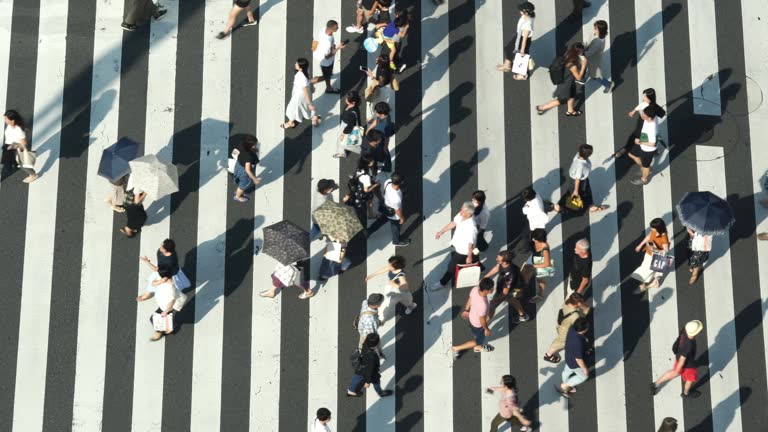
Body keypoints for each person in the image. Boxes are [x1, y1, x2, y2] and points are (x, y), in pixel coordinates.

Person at [431, 201, 479, 291]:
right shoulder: (461, 215)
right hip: (458, 245)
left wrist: (469, 256)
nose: (460, 212)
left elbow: (470, 244)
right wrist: (441, 232)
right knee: (474, 255)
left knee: (451, 267)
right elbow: (454, 223)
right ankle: (477, 263)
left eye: (463, 211)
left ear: (469, 213)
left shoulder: (471, 227)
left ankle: (442, 282)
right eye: (461, 209)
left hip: (463, 251)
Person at [650, 320, 704, 399]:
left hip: (678, 357)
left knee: (673, 372)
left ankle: (655, 384)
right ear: (695, 333)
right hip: (688, 365)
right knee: (690, 379)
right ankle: (686, 393)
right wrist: (677, 371)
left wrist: (676, 370)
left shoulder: (685, 330)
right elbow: (682, 360)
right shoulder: (689, 346)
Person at [612, 88, 666, 159]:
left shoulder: (654, 107)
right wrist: (634, 111)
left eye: (645, 96)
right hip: (640, 124)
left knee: (644, 139)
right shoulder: (645, 103)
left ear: (649, 98)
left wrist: (651, 116)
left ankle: (652, 150)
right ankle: (626, 149)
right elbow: (640, 106)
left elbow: (662, 113)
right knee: (635, 137)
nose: (643, 97)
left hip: (647, 126)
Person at [536, 42, 587, 117]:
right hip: (566, 85)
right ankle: (542, 108)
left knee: (572, 95)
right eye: (582, 51)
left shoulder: (568, 54)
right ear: (578, 52)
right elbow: (578, 78)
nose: (583, 52)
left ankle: (570, 111)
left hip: (568, 81)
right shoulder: (572, 66)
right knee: (561, 100)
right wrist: (584, 65)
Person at [555, 144, 607, 213]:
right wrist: (576, 190)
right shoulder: (580, 166)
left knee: (586, 191)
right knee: (574, 193)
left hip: (583, 179)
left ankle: (591, 206)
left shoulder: (578, 155)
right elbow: (577, 179)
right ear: (587, 155)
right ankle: (559, 206)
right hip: (579, 181)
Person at [452, 277, 495, 358]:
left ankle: (477, 344)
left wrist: (466, 310)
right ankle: (457, 348)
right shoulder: (483, 305)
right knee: (479, 340)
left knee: (492, 309)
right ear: (486, 290)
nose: (493, 289)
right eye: (491, 288)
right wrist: (486, 329)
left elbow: (470, 299)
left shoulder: (475, 289)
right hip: (478, 324)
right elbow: (482, 320)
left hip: (472, 317)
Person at [365, 255, 417, 321]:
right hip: (391, 288)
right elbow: (384, 269)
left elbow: (405, 287)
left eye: (390, 265)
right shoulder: (392, 268)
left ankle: (411, 306)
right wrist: (372, 275)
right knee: (389, 301)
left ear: (396, 267)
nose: (388, 266)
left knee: (405, 301)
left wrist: (394, 284)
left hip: (400, 292)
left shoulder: (401, 276)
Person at [543, 292, 590, 363]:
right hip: (565, 331)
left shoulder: (567, 302)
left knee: (560, 341)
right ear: (578, 303)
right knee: (560, 343)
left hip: (563, 325)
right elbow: (578, 326)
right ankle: (548, 355)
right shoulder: (575, 316)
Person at [136, 265, 179, 341]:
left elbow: (171, 302)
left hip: (165, 307)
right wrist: (161, 281)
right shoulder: (164, 280)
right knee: (164, 317)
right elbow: (153, 284)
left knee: (153, 319)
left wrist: (165, 312)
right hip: (163, 305)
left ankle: (159, 332)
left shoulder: (170, 289)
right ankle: (168, 328)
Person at [366, 173, 411, 246]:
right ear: (401, 182)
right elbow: (397, 210)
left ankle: (368, 232)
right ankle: (396, 241)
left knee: (380, 221)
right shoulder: (396, 198)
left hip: (385, 207)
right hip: (393, 214)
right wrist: (401, 218)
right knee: (395, 227)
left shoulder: (388, 182)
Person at [486, 251, 528, 323]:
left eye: (498, 259)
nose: (496, 259)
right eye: (497, 257)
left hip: (511, 290)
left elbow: (505, 292)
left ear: (505, 262)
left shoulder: (508, 275)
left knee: (492, 305)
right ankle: (523, 315)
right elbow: (497, 268)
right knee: (513, 301)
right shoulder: (503, 264)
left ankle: (484, 324)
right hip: (512, 287)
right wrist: (485, 277)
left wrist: (495, 300)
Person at [346, 333, 393, 397]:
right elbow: (370, 370)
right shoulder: (372, 357)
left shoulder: (365, 344)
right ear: (376, 343)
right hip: (370, 371)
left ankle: (351, 390)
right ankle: (380, 393)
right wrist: (367, 382)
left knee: (357, 376)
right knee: (376, 381)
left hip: (362, 365)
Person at [631, 217, 670, 292]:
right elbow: (648, 237)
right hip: (649, 252)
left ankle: (645, 285)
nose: (651, 229)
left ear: (658, 228)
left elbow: (666, 250)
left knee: (647, 269)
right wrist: (640, 245)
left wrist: (655, 249)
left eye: (653, 228)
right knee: (652, 269)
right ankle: (655, 282)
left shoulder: (664, 237)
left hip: (654, 256)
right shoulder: (654, 231)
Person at [628, 105, 662, 186]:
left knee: (646, 165)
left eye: (644, 115)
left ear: (649, 118)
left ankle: (644, 179)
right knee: (632, 154)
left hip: (647, 149)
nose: (642, 115)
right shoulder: (652, 116)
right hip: (643, 140)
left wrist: (640, 142)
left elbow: (652, 143)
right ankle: (644, 168)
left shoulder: (651, 129)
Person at [497, 2, 535, 74]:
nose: (519, 11)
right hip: (519, 36)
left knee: (511, 50)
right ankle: (507, 65)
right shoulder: (529, 16)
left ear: (526, 13)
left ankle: (518, 72)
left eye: (521, 10)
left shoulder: (527, 25)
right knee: (509, 49)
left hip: (521, 39)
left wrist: (522, 50)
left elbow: (524, 40)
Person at [557, 317, 590, 397]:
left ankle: (564, 381)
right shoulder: (577, 343)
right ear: (583, 330)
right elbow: (578, 359)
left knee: (567, 370)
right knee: (583, 376)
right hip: (575, 363)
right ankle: (565, 386)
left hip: (568, 356)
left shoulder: (572, 328)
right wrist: (585, 369)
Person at [311, 20, 347, 94]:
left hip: (322, 56)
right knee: (327, 76)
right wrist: (338, 48)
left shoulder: (323, 30)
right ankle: (314, 82)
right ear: (331, 28)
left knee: (328, 74)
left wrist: (333, 46)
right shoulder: (327, 44)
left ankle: (327, 85)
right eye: (336, 28)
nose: (338, 28)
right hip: (326, 62)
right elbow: (328, 56)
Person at [3, 109, 37, 183]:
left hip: (16, 150)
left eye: (6, 118)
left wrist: (14, 146)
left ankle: (33, 175)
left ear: (12, 121)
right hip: (9, 147)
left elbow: (23, 144)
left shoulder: (19, 130)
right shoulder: (10, 125)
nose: (4, 119)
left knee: (24, 165)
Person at [343, 155, 380, 221]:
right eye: (371, 161)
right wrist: (376, 185)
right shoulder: (366, 176)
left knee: (369, 201)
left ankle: (370, 214)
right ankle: (370, 215)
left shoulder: (359, 169)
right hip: (362, 192)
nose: (373, 161)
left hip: (358, 188)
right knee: (369, 202)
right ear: (367, 163)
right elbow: (366, 190)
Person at [281, 58, 315, 129]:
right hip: (299, 93)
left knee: (294, 109)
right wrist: (311, 88)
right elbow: (309, 81)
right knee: (302, 107)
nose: (295, 64)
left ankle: (290, 123)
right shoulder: (305, 71)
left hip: (299, 96)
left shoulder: (301, 76)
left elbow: (305, 91)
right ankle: (313, 116)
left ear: (301, 68)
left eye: (297, 64)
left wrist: (309, 104)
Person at [584, 20, 614, 93]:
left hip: (594, 60)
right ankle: (592, 76)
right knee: (592, 71)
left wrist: (581, 54)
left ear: (600, 30)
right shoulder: (595, 33)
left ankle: (608, 84)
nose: (594, 27)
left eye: (596, 27)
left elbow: (589, 53)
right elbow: (588, 42)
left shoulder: (599, 42)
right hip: (591, 57)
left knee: (597, 75)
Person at [232, 134, 261, 202]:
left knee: (242, 182)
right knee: (243, 184)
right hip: (244, 171)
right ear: (249, 147)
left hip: (239, 164)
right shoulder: (249, 157)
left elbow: (234, 152)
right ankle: (237, 196)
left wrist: (242, 157)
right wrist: (255, 179)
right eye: (254, 145)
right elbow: (247, 170)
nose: (256, 145)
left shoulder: (241, 146)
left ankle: (238, 191)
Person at [526, 228, 551, 303]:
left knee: (540, 280)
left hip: (541, 264)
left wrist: (534, 266)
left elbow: (547, 264)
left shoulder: (545, 249)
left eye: (534, 238)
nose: (533, 239)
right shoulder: (535, 242)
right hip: (535, 259)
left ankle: (540, 295)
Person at [334, 91, 362, 159]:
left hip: (346, 127)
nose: (345, 99)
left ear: (353, 102)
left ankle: (342, 153)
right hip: (345, 124)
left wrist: (343, 133)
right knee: (343, 139)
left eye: (347, 99)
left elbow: (350, 126)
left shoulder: (352, 112)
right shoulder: (351, 106)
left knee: (341, 139)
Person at [356, 293, 385, 357]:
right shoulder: (370, 321)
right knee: (371, 347)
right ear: (377, 305)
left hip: (363, 327)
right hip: (367, 335)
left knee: (362, 345)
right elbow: (371, 336)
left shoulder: (365, 302)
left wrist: (378, 322)